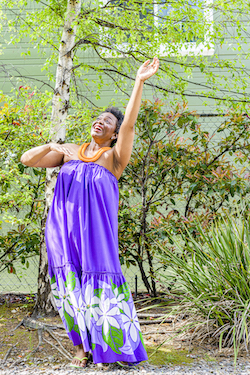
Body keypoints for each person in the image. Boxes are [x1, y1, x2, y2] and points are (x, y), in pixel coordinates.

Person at [20, 57, 160, 368]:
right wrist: (51, 145)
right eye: (98, 118)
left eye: (107, 122)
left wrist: (139, 82)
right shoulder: (69, 152)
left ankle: (113, 350)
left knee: (101, 287)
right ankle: (82, 350)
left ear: (113, 134)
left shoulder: (114, 157)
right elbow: (27, 159)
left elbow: (130, 124)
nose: (100, 122)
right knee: (71, 290)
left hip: (96, 235)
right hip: (63, 231)